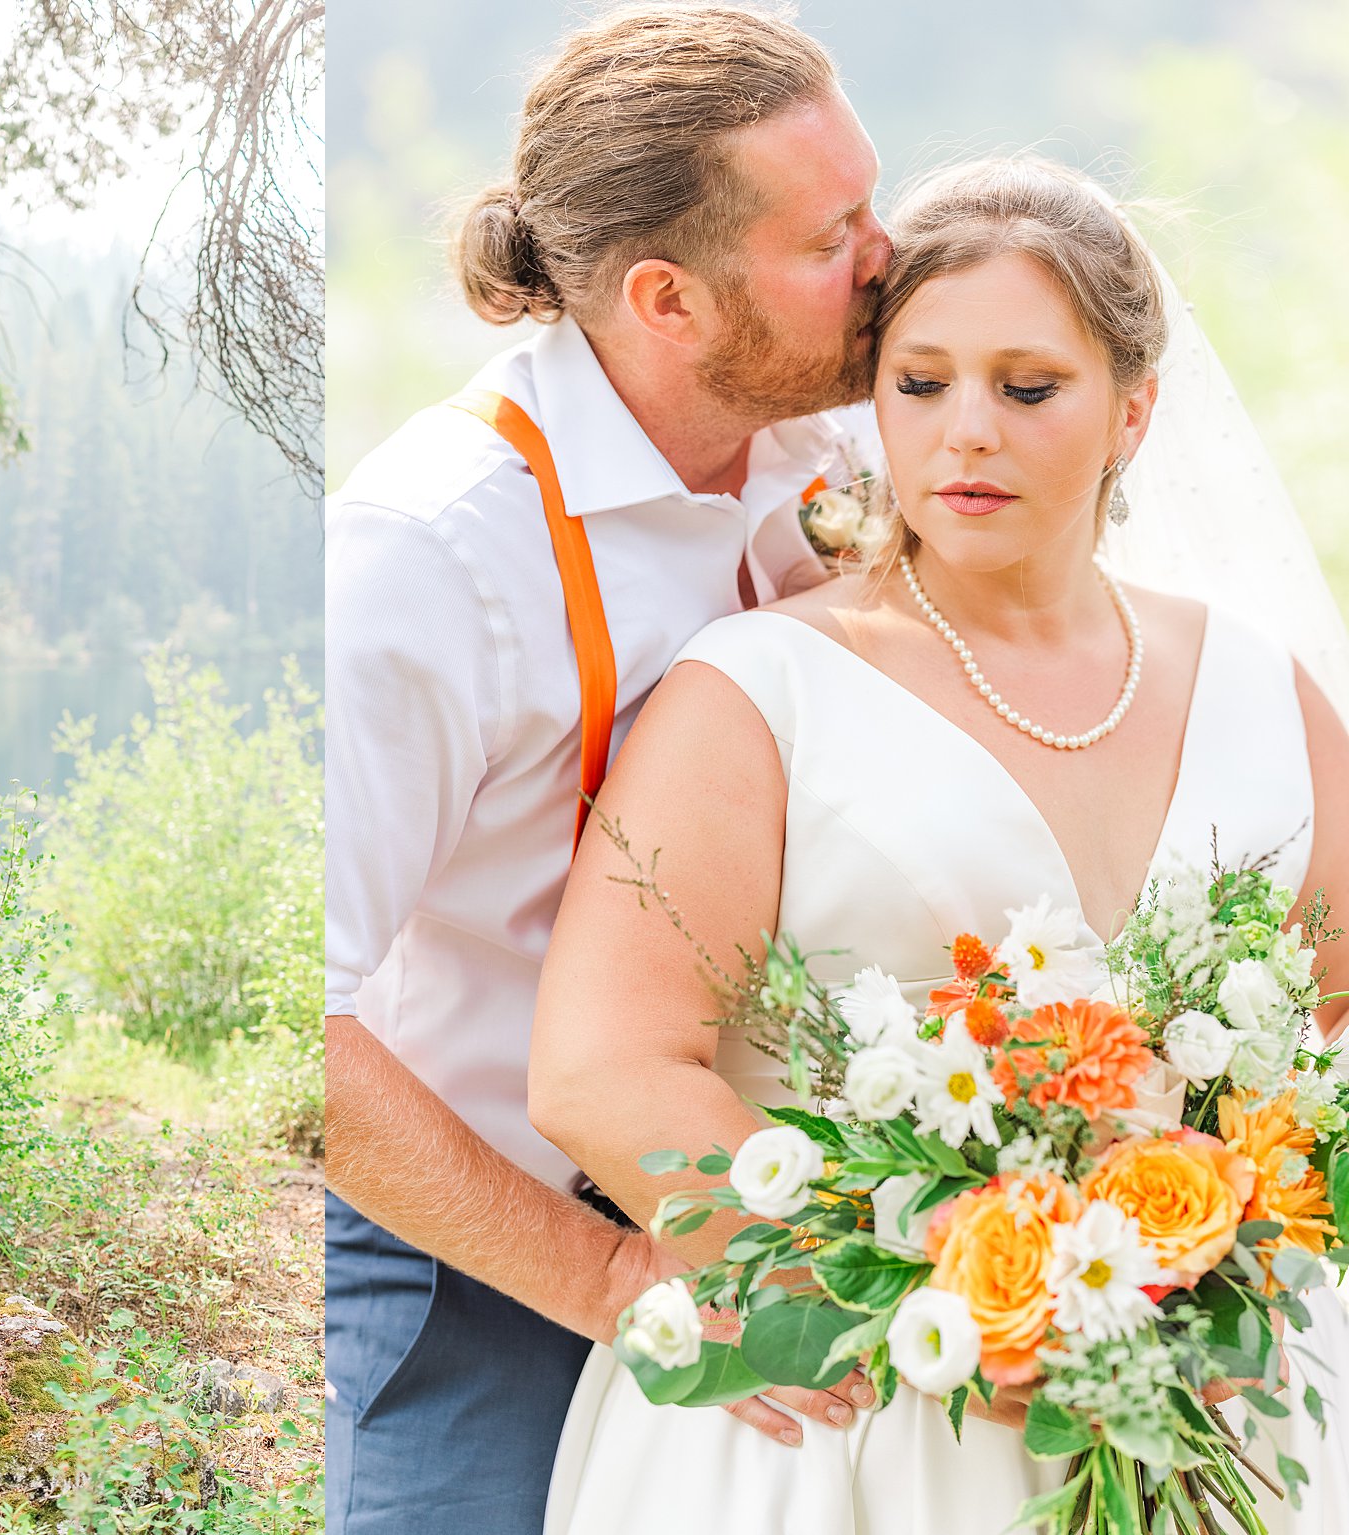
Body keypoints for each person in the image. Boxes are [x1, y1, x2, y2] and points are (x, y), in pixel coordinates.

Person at [533, 156, 1349, 1534]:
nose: (967, 430)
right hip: (845, 1423)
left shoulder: (1263, 687)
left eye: (1028, 388)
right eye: (920, 385)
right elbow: (601, 1069)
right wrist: (960, 1304)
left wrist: (1201, 1256)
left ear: (1134, 412)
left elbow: (1328, 1028)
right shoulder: (757, 688)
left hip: (1195, 1403)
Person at [323, 7, 889, 1529]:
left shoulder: (830, 452)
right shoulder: (430, 555)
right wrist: (615, 1273)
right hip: (488, 1254)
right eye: (836, 235)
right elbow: (294, 1045)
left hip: (793, 1219)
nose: (890, 258)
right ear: (669, 298)